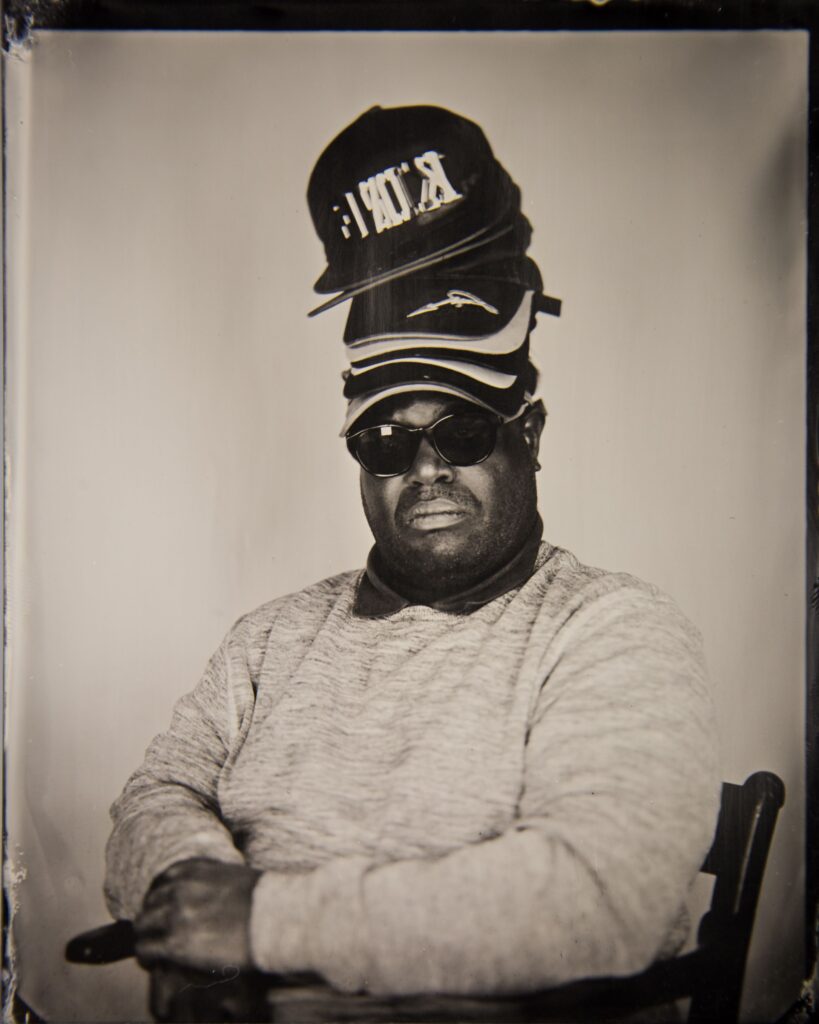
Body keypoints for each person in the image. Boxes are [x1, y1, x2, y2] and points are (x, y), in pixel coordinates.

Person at [103, 105, 720, 1006]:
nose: (426, 467)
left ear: (530, 434)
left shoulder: (614, 628)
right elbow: (151, 798)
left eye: (464, 428)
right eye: (386, 440)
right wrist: (200, 926)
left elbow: (602, 897)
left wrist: (262, 922)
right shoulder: (271, 639)